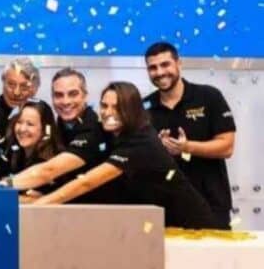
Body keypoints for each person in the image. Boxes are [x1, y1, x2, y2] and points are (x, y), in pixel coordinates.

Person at [34, 82, 218, 229]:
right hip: (157, 226)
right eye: (104, 105)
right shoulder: (108, 133)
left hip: (193, 229)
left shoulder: (142, 140)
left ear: (133, 110)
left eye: (117, 107)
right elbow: (53, 168)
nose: (108, 112)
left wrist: (36, 208)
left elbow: (87, 182)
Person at [143, 42, 236, 229]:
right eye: (153, 67)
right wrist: (156, 149)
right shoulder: (144, 107)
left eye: (165, 64)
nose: (159, 72)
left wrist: (187, 147)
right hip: (163, 209)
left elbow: (227, 146)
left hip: (210, 205)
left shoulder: (209, 96)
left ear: (179, 63)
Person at [0, 68, 113, 201]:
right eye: (59, 95)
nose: (66, 101)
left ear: (85, 96)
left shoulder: (94, 128)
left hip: (101, 209)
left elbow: (49, 171)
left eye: (73, 94)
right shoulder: (60, 125)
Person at [3, 100, 63, 195]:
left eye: (30, 124)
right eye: (19, 122)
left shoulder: (52, 162)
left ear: (45, 129)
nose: (22, 129)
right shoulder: (13, 154)